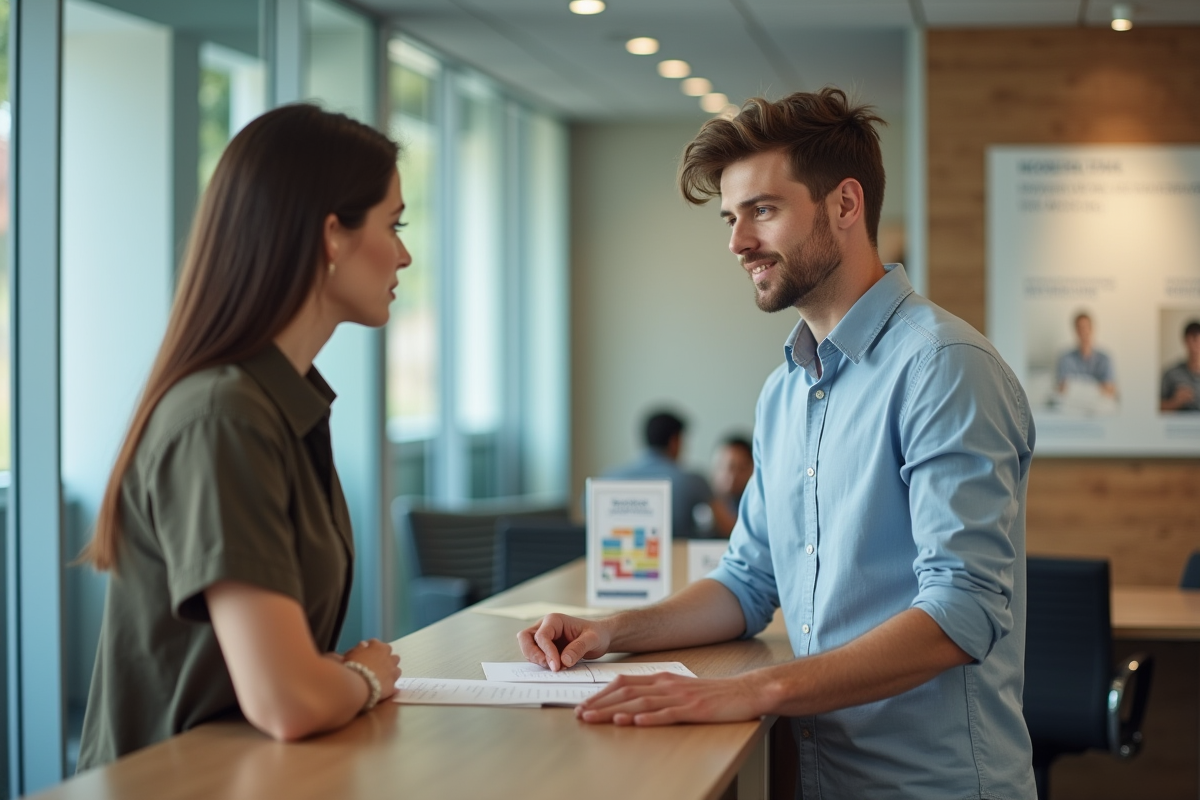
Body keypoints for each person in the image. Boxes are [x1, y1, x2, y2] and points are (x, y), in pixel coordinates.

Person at [520, 88, 1036, 800]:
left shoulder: (942, 367)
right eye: (732, 218)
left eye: (762, 210)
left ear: (845, 205)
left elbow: (962, 612)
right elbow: (747, 583)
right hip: (818, 775)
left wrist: (749, 691)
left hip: (931, 785)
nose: (736, 243)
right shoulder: (785, 391)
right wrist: (610, 632)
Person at [77, 104, 408, 769]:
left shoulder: (278, 403)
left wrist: (332, 683)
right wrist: (367, 675)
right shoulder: (224, 417)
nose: (403, 253)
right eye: (392, 224)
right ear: (332, 236)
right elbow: (287, 700)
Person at [601, 410, 735, 538]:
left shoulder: (606, 478)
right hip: (678, 558)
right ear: (674, 441)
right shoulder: (692, 481)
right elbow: (728, 528)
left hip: (616, 557)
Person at [1055, 311, 1116, 397]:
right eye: (1080, 328)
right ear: (1075, 330)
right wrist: (1096, 388)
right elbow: (1062, 389)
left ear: (1092, 329)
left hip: (1097, 407)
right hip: (1071, 407)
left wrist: (1075, 387)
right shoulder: (1065, 358)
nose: (1083, 332)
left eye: (1086, 327)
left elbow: (1109, 389)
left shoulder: (1104, 359)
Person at [1161, 320, 1200, 412]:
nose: (1194, 346)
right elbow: (1157, 407)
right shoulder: (1171, 373)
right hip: (1179, 425)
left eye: (1197, 340)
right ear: (1185, 341)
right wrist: (1175, 402)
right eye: (1192, 340)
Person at [710, 435, 753, 517]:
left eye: (741, 469)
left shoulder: (754, 508)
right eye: (729, 467)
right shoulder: (699, 500)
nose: (733, 476)